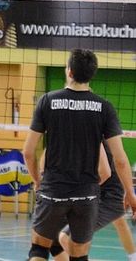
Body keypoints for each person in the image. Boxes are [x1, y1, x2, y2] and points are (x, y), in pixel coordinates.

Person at [23, 48, 136, 261]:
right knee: (79, 255)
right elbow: (120, 160)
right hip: (87, 196)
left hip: (53, 191)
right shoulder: (105, 108)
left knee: (39, 249)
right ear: (92, 74)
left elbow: (28, 152)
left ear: (69, 71)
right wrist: (130, 194)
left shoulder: (47, 101)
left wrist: (38, 182)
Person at [50, 143, 136, 261]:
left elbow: (110, 169)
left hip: (107, 192)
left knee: (66, 238)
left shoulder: (94, 139)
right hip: (95, 191)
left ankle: (133, 256)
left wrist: (129, 191)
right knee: (56, 241)